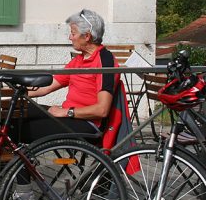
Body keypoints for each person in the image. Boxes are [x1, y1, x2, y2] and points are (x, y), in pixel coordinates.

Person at [19, 8, 126, 145]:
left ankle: (12, 164)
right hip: (70, 117)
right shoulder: (79, 60)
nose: (70, 37)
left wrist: (66, 112)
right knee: (17, 112)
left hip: (87, 124)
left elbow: (102, 110)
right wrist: (13, 92)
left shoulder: (105, 61)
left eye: (73, 33)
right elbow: (47, 86)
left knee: (20, 128)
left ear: (87, 36)